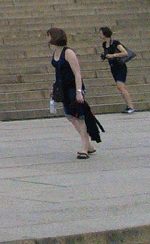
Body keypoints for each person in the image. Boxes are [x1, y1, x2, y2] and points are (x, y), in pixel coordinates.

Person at [48, 27, 103, 159]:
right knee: (70, 115)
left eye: (49, 35)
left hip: (74, 87)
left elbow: (77, 73)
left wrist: (79, 92)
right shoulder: (56, 51)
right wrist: (54, 88)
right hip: (63, 87)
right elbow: (58, 73)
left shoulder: (68, 52)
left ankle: (84, 147)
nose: (47, 38)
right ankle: (88, 144)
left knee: (79, 116)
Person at [99, 27, 136, 113]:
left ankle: (131, 107)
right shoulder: (104, 44)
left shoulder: (115, 43)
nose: (100, 35)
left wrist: (113, 55)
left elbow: (125, 53)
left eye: (101, 33)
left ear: (105, 34)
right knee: (121, 87)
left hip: (120, 67)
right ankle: (129, 105)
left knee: (120, 86)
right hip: (113, 67)